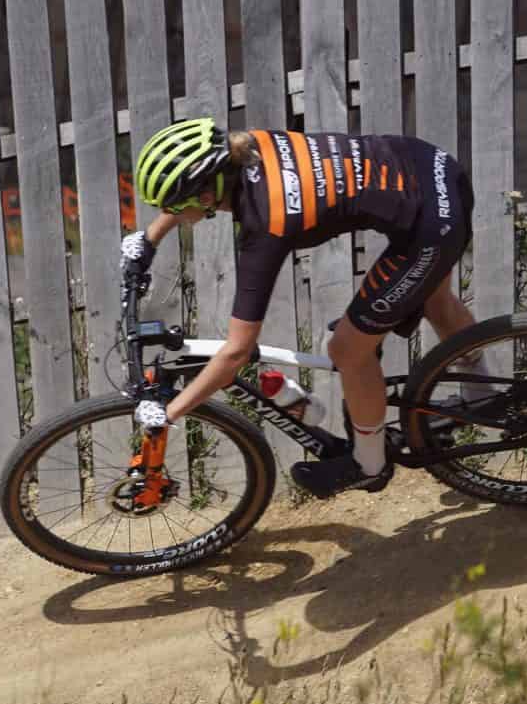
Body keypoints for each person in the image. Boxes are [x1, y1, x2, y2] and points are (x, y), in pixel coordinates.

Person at [126, 117, 484, 498]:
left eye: (175, 206)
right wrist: (148, 239)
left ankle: (369, 465)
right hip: (432, 166)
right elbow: (198, 183)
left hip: (427, 223)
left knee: (348, 350)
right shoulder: (250, 147)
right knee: (434, 298)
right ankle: (485, 397)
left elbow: (237, 352)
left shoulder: (267, 224)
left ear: (207, 197)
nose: (173, 214)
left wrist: (170, 413)